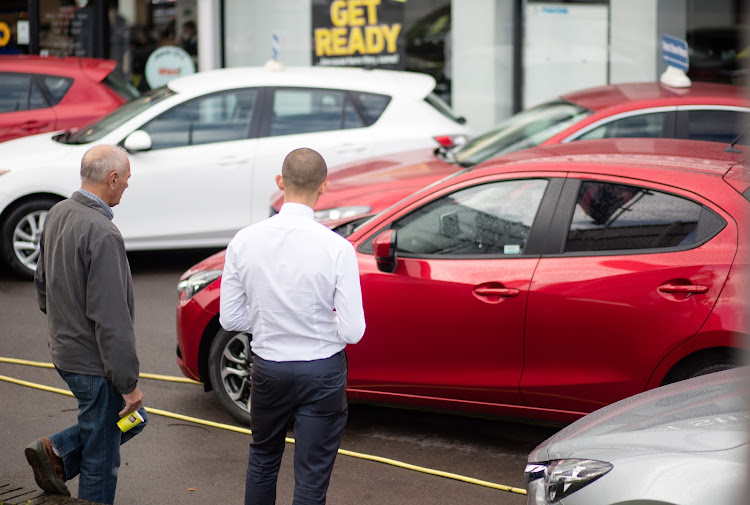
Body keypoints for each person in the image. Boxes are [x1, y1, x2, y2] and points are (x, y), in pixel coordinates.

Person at [220, 147, 366, 505]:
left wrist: (271, 320)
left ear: (279, 183)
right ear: (325, 187)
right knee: (311, 477)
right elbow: (352, 332)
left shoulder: (244, 240)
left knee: (264, 458)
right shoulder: (338, 248)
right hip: (322, 370)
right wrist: (317, 324)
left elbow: (230, 318)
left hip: (269, 367)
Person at [27, 144, 147, 505]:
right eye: (126, 179)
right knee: (101, 459)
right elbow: (112, 320)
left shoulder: (58, 212)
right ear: (112, 179)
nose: (127, 185)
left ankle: (56, 452)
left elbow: (42, 287)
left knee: (131, 421)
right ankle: (56, 453)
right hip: (94, 365)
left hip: (65, 353)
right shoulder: (104, 234)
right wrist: (127, 385)